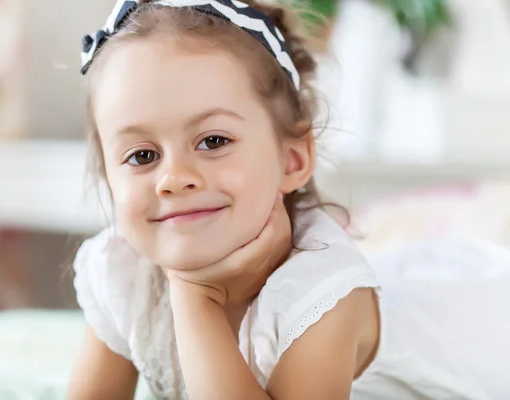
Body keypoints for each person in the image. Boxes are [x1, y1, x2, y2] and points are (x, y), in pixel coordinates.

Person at [68, 0, 510, 398]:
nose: (174, 178)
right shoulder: (120, 270)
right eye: (142, 155)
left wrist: (192, 296)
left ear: (292, 161)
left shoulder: (322, 295)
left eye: (213, 140)